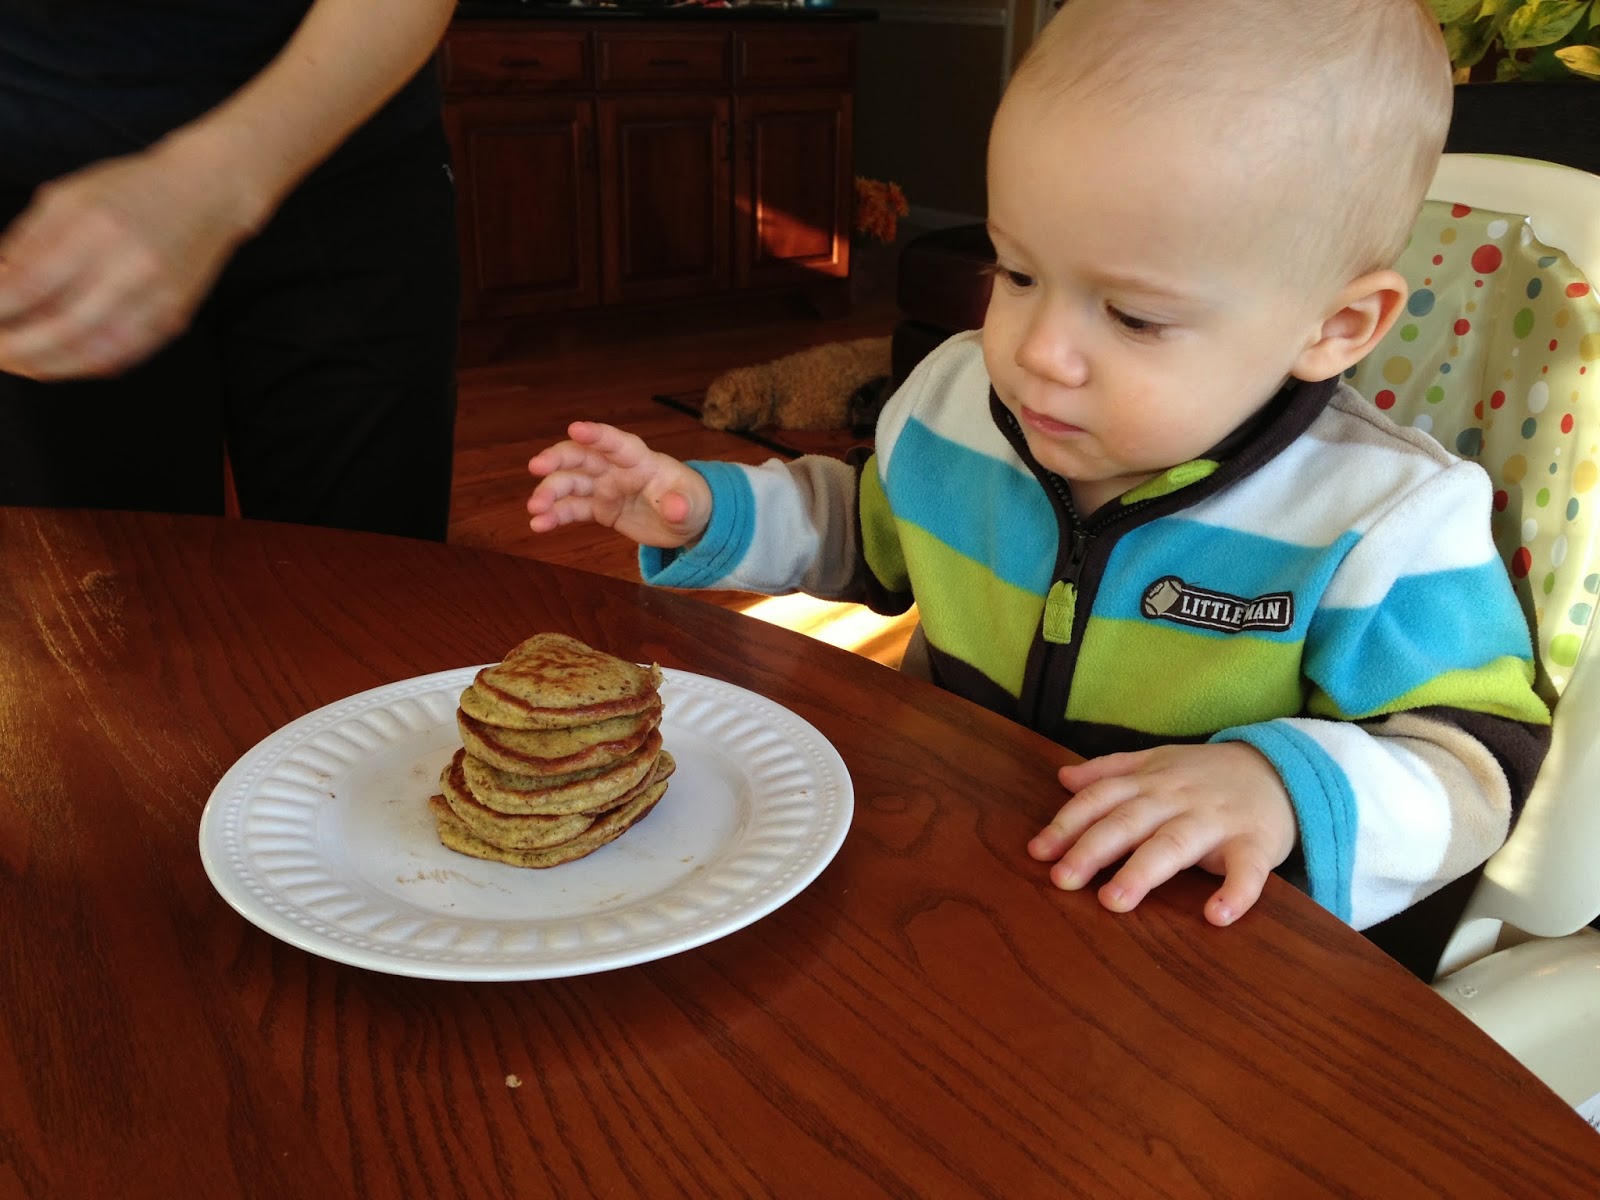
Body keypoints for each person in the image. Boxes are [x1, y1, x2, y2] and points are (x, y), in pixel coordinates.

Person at [523, 0, 1553, 949]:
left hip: (1187, 945)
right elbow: (868, 529)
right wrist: (702, 506)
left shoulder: (1384, 523)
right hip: (939, 842)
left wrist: (1277, 789)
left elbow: (1476, 765)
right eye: (1016, 272)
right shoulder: (956, 407)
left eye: (1135, 317)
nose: (1035, 350)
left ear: (1334, 328)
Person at [0, 0, 460, 541]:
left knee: (372, 576)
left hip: (347, 143)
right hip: (34, 204)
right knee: (104, 587)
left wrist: (214, 182)